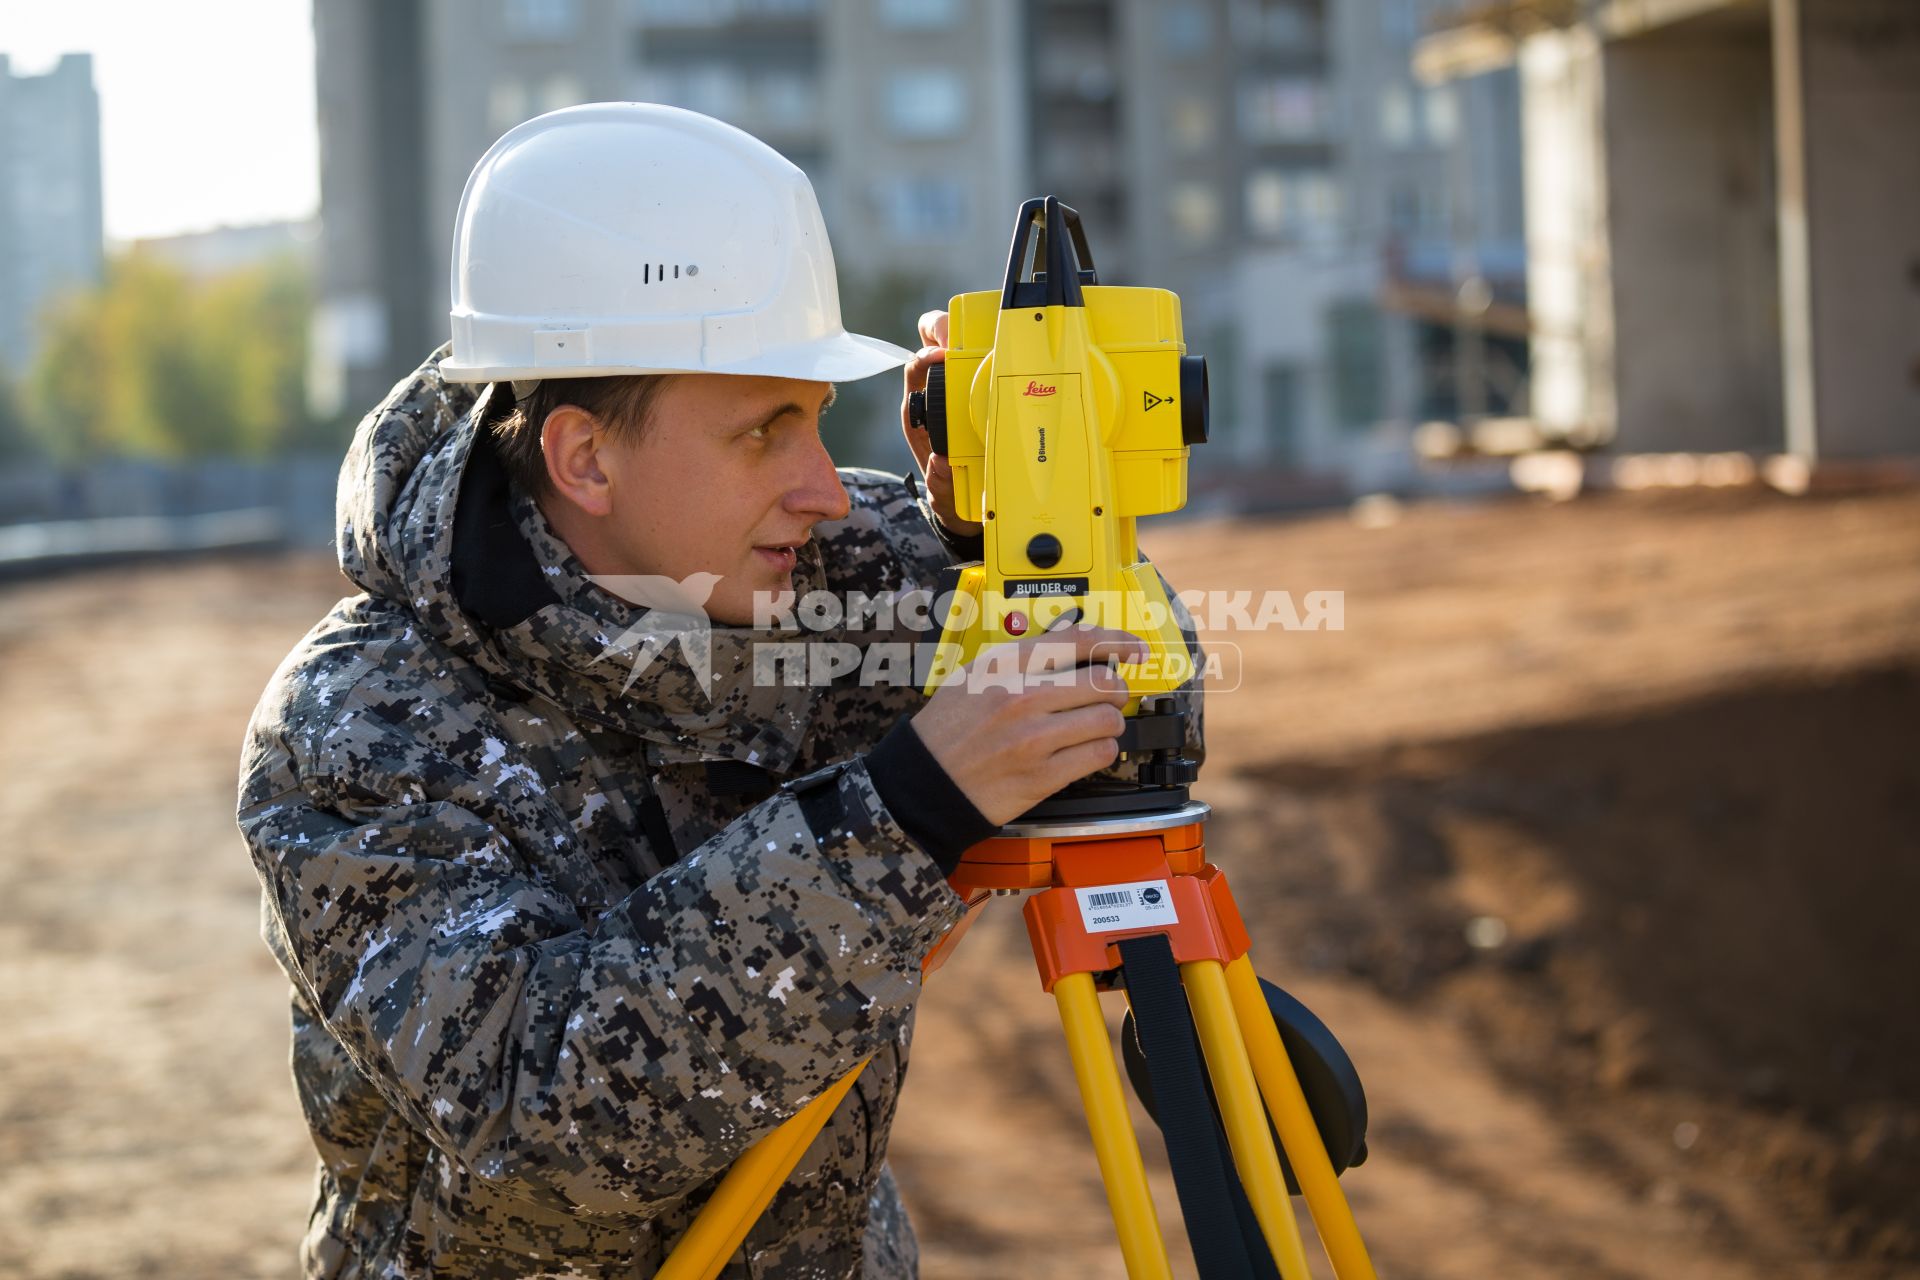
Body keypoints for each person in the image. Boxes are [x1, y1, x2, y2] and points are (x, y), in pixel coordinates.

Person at [238, 103, 1201, 1278]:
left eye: (820, 422)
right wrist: (899, 817)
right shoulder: (360, 726)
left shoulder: (832, 577)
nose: (829, 489)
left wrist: (1002, 524)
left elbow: (1150, 719)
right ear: (585, 458)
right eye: (764, 432)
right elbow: (537, 1121)